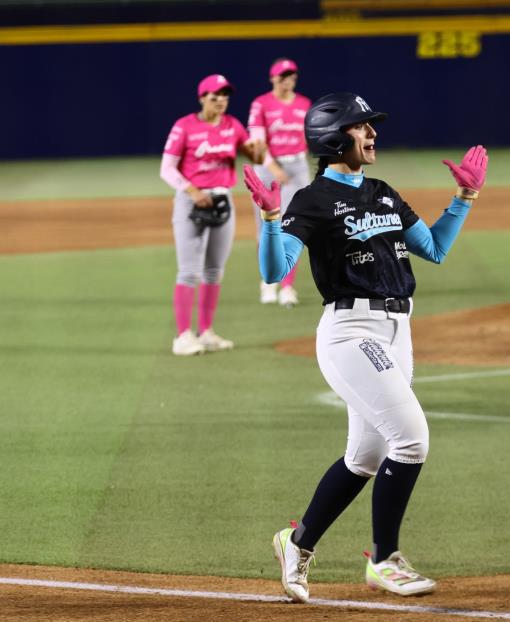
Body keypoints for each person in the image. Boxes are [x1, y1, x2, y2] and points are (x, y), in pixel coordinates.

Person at [243, 92, 488, 602]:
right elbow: (274, 270)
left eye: (371, 125)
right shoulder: (311, 200)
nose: (372, 133)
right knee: (413, 439)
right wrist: (269, 221)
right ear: (334, 138)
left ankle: (296, 542)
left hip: (399, 332)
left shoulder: (382, 191)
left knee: (367, 455)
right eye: (361, 126)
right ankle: (384, 559)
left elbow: (435, 249)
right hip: (351, 333)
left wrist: (463, 200)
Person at [160, 74, 264, 356]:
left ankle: (205, 332)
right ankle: (183, 336)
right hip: (191, 202)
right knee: (189, 270)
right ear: (202, 97)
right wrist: (191, 190)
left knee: (214, 271)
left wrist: (259, 146)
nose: (221, 101)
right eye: (215, 95)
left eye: (225, 96)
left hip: (222, 200)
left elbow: (254, 157)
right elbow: (167, 168)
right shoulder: (185, 126)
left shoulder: (233, 126)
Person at [247, 58, 312, 307]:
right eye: (283, 76)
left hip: (296, 167)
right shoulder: (261, 104)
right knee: (265, 228)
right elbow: (256, 139)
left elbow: (309, 136)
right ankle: (267, 280)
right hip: (266, 167)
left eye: (292, 75)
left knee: (293, 225)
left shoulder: (304, 104)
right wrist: (273, 168)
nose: (288, 80)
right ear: (273, 78)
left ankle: (287, 286)